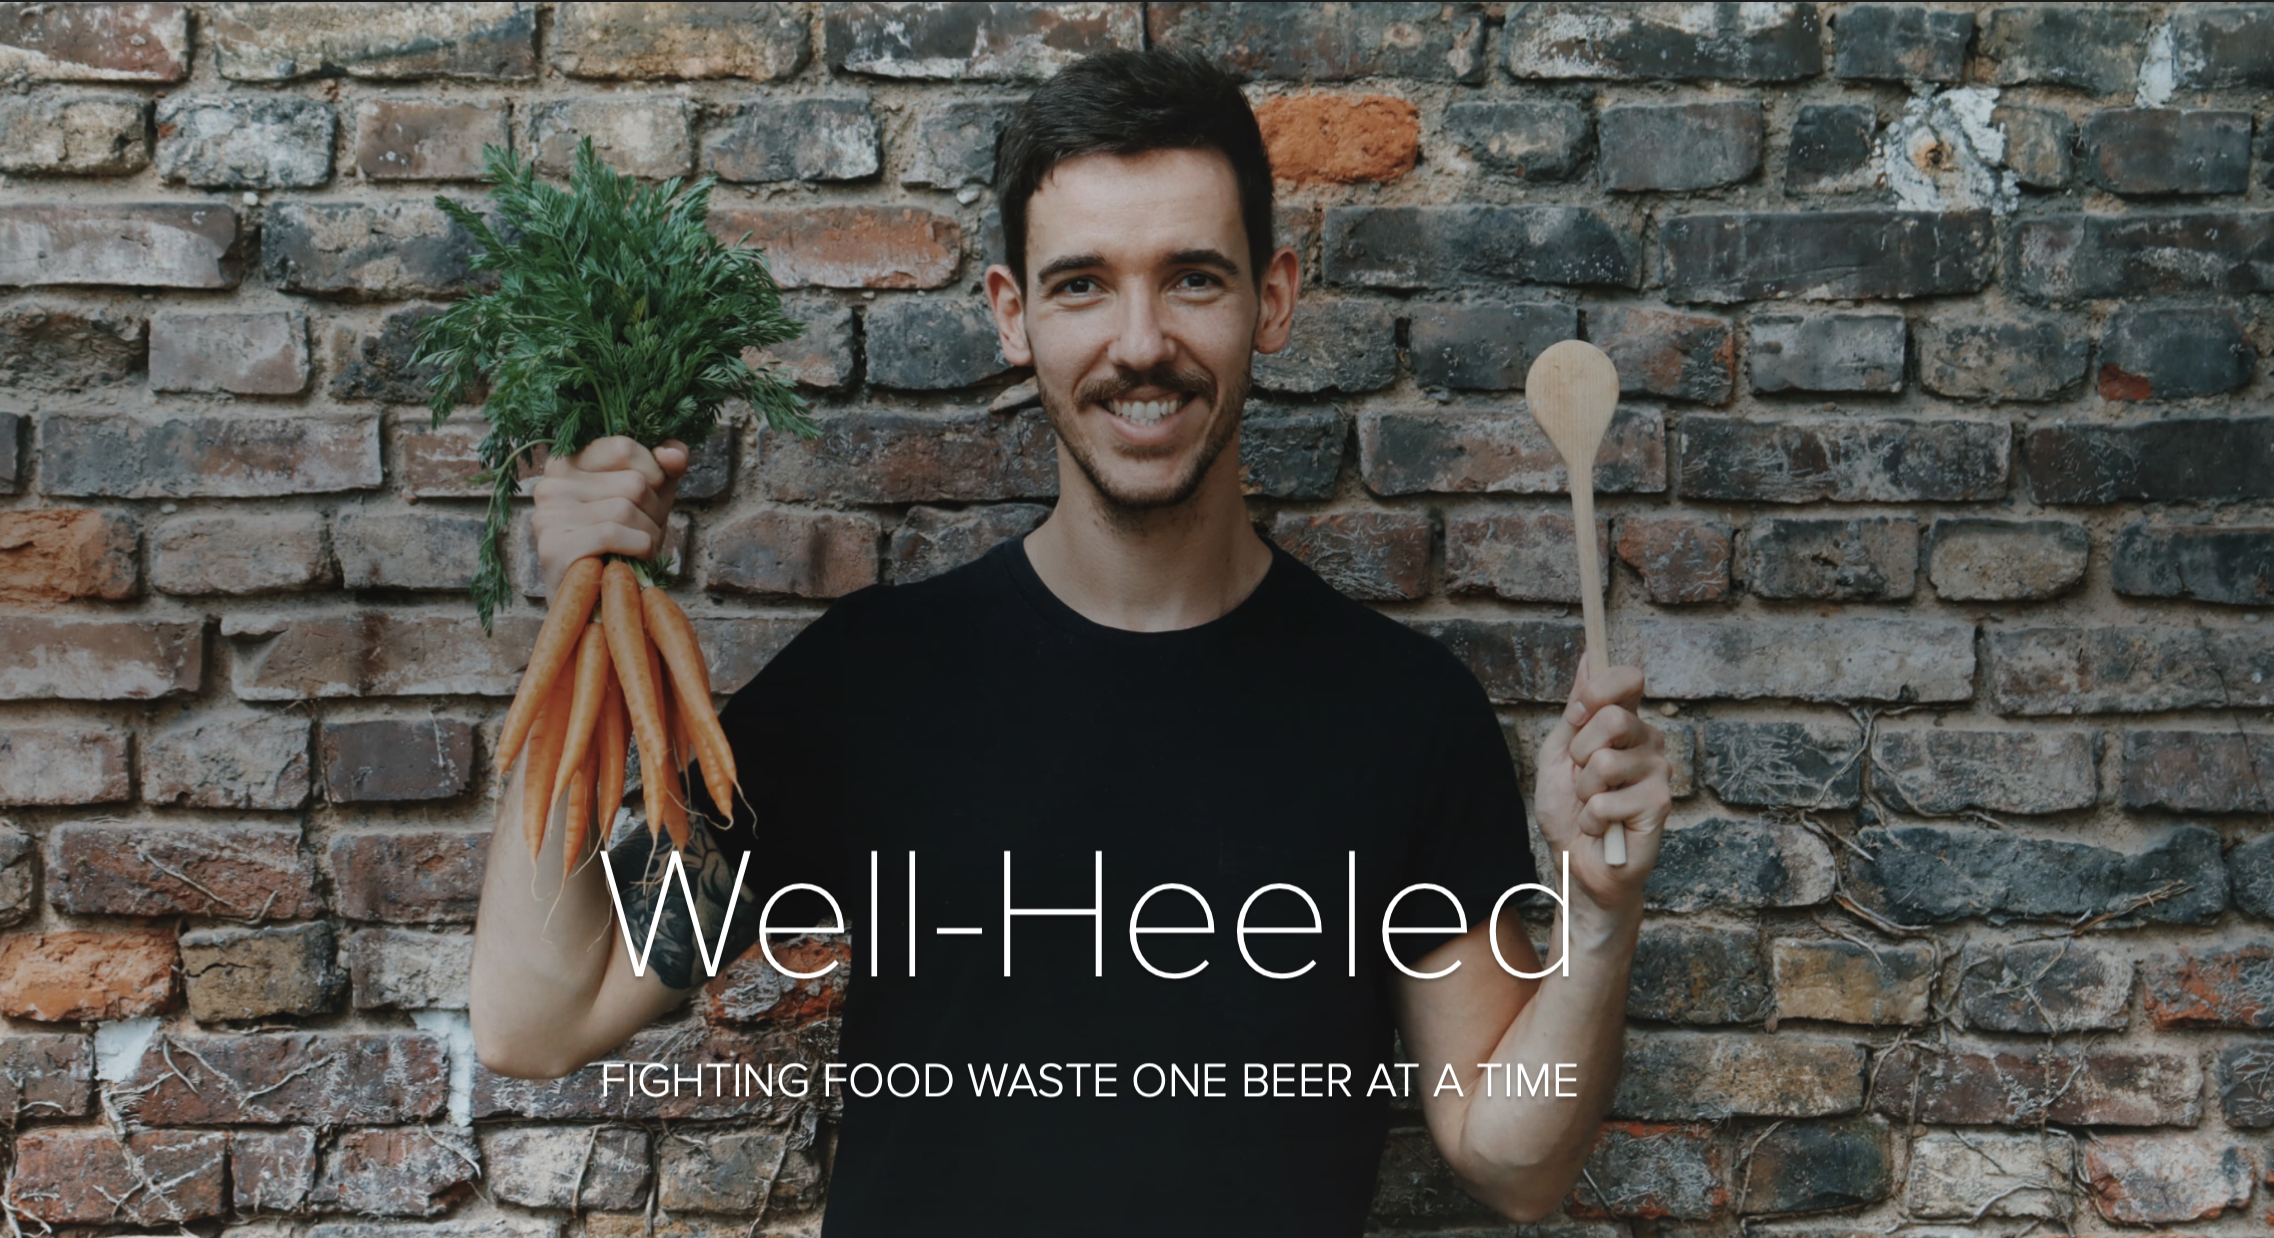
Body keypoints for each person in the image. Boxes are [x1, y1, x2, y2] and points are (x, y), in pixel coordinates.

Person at [469, 48, 1673, 1237]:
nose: (1139, 342)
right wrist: (579, 617)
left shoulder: (1402, 713)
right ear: (1013, 314)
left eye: (1192, 278)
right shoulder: (875, 684)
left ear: (1274, 296)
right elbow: (539, 1014)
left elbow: (1511, 1159)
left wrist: (1601, 913)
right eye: (1083, 283)